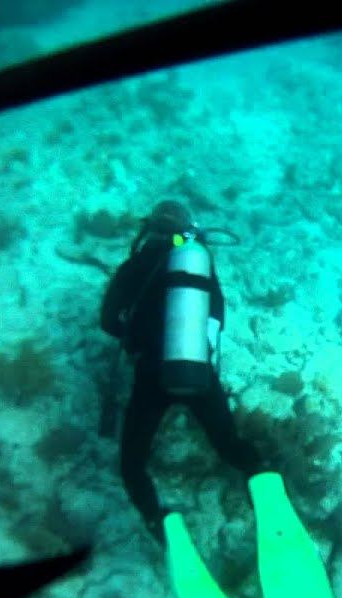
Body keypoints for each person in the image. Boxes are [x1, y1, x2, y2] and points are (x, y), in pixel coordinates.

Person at [99, 200, 266, 544]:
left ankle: (158, 522)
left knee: (132, 464)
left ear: (150, 230)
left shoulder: (134, 265)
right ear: (188, 231)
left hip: (151, 375)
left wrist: (133, 339)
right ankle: (264, 482)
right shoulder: (199, 268)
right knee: (230, 445)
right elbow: (217, 318)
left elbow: (107, 322)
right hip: (199, 373)